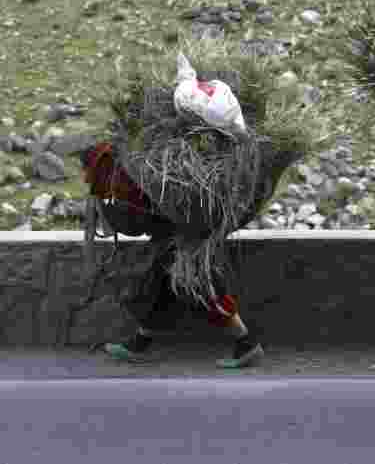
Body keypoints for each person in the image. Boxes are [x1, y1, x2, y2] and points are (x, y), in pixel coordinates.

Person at [81, 143, 264, 369]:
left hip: (182, 239)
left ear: (98, 166)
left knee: (202, 290)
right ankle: (139, 344)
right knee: (160, 289)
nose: (86, 178)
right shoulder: (133, 171)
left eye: (87, 171)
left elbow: (137, 223)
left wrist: (112, 212)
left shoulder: (125, 180)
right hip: (174, 238)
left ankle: (246, 343)